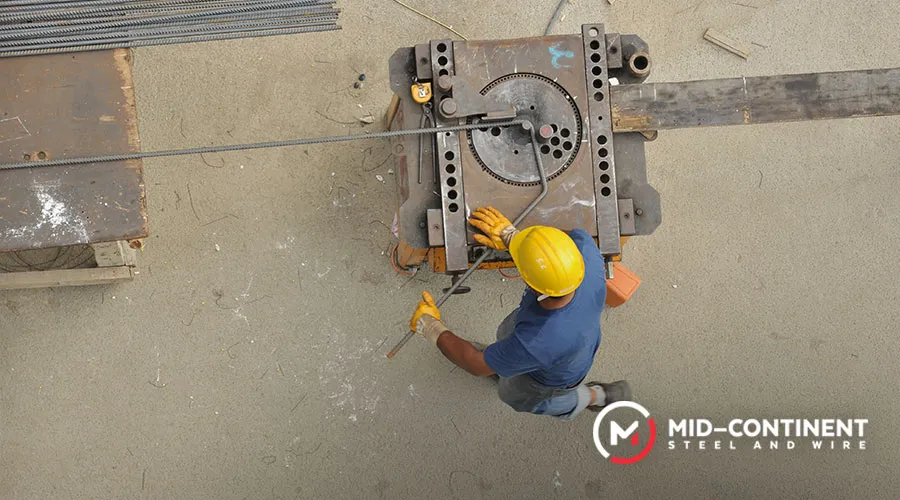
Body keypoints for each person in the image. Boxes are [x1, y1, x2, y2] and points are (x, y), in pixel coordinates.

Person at [409, 206, 630, 420]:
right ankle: (504, 362)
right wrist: (512, 238)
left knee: (516, 395)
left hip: (550, 376)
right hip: (564, 338)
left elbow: (475, 364)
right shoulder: (586, 252)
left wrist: (430, 326)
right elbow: (561, 241)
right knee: (506, 336)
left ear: (534, 286)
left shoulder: (539, 340)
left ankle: (595, 396)